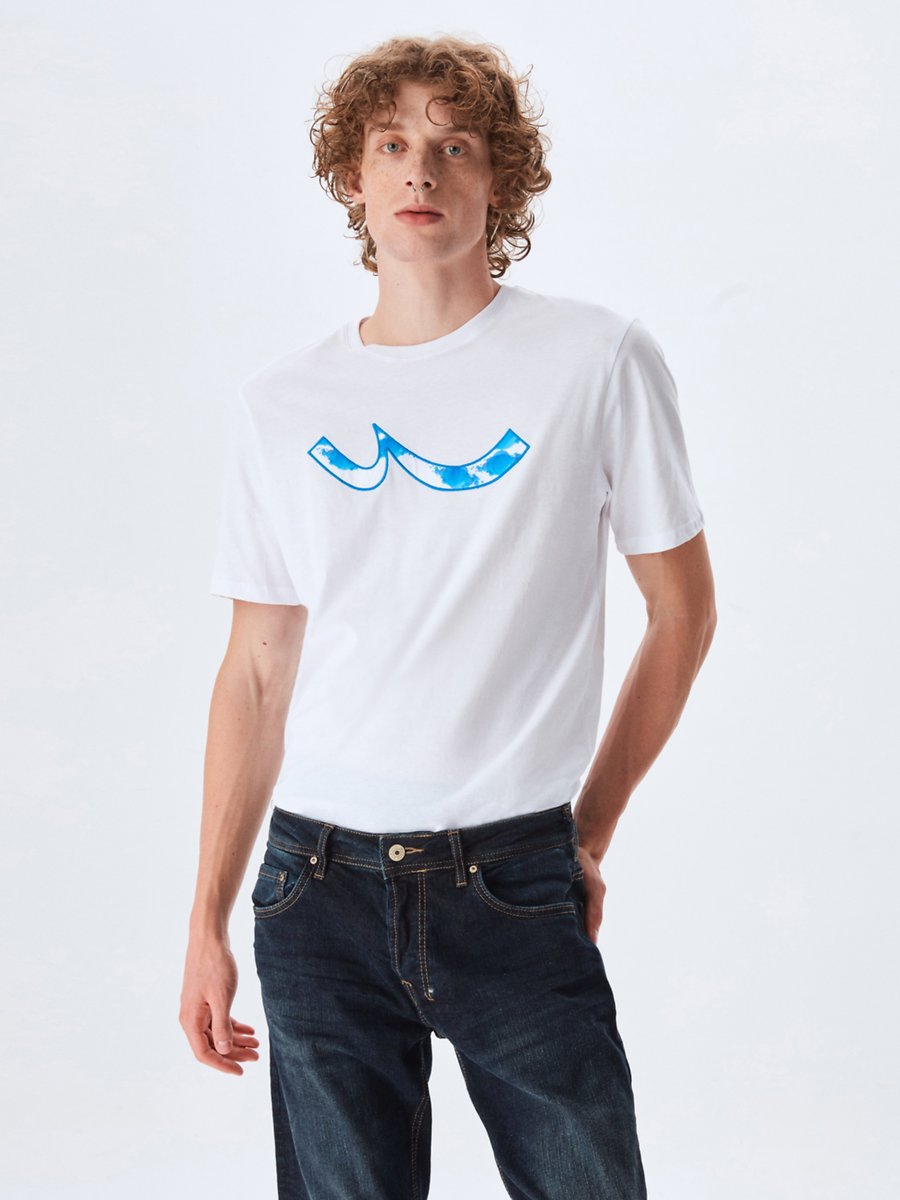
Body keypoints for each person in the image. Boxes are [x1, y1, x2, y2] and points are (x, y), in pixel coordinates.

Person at [180, 33, 716, 1200]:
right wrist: (205, 922)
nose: (420, 170)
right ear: (353, 178)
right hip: (314, 888)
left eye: (454, 145)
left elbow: (681, 614)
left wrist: (586, 833)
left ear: (500, 179)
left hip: (511, 879)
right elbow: (255, 672)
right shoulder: (281, 403)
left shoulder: (595, 359)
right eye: (391, 145)